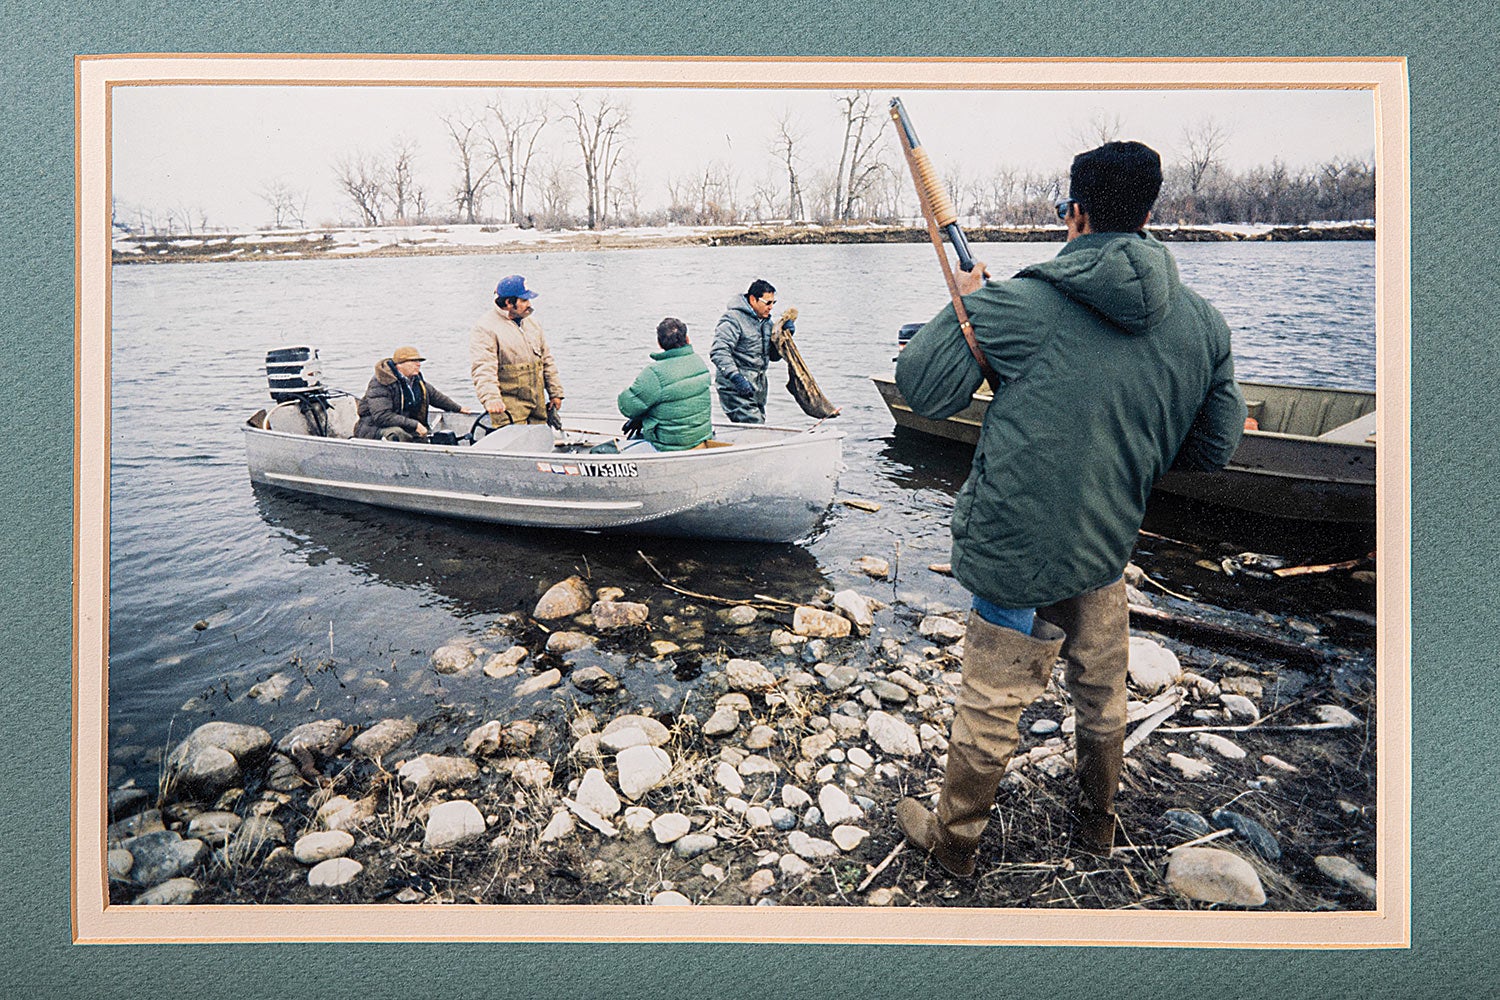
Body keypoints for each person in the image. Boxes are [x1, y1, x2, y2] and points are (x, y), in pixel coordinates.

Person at [892, 141, 1246, 875]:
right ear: (1149, 213)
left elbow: (922, 390)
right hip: (1106, 535)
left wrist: (965, 302)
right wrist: (1127, 446)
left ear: (1076, 214)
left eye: (1064, 209)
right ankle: (1096, 829)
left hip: (1017, 543)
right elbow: (1211, 451)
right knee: (1102, 687)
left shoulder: (1021, 304)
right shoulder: (1205, 325)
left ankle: (954, 845)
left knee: (994, 698)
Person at [469, 274, 565, 428]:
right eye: (524, 300)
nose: (529, 304)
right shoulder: (485, 328)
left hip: (537, 407)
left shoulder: (532, 324)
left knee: (540, 440)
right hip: (509, 410)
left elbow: (547, 361)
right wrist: (491, 399)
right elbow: (483, 369)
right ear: (508, 303)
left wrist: (555, 393)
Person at [616, 317, 713, 452]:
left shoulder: (654, 373)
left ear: (659, 343)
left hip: (669, 446)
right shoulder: (699, 362)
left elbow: (628, 407)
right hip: (701, 437)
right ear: (687, 339)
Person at [710, 278, 789, 423]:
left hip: (758, 388)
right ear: (753, 300)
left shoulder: (767, 323)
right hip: (734, 387)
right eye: (767, 303)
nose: (771, 307)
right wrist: (736, 377)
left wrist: (784, 336)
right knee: (755, 426)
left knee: (757, 426)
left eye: (773, 303)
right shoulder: (732, 319)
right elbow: (719, 351)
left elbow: (773, 356)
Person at [354, 346, 474, 441]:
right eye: (414, 361)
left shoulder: (415, 379)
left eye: (419, 361)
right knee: (397, 434)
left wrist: (459, 408)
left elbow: (435, 396)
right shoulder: (380, 383)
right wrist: (415, 425)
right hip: (373, 429)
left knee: (423, 436)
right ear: (400, 365)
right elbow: (382, 417)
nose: (418, 364)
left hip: (404, 424)